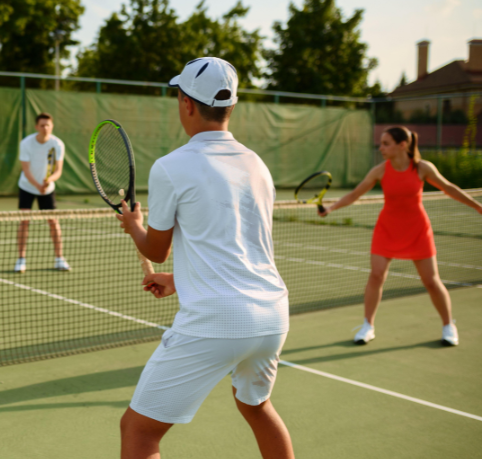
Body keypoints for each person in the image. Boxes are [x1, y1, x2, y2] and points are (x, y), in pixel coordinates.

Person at [116, 57, 294, 459]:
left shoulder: (171, 167)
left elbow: (155, 249)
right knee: (256, 406)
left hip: (217, 321)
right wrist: (179, 280)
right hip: (271, 316)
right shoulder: (257, 165)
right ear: (230, 107)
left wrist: (134, 226)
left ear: (187, 103)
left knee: (139, 431)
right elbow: (243, 248)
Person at [320, 126, 482, 346]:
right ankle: (368, 326)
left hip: (417, 231)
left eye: (386, 143)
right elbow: (355, 194)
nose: (381, 148)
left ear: (402, 145)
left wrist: (477, 206)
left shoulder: (422, 168)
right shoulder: (380, 170)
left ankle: (448, 326)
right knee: (376, 276)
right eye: (381, 143)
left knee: (431, 281)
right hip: (387, 230)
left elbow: (448, 188)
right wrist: (330, 208)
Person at [14, 112, 69, 273]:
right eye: (42, 125)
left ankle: (59, 258)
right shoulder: (26, 143)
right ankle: (21, 259)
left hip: (48, 188)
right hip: (27, 186)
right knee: (25, 221)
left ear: (52, 126)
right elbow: (25, 169)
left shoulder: (58, 144)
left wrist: (50, 180)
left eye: (48, 125)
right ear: (36, 127)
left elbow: (58, 170)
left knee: (53, 222)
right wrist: (38, 185)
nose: (45, 128)